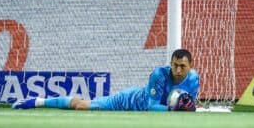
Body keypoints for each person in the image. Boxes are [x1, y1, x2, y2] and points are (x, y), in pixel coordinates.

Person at [12, 49, 199, 111]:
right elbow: (151, 107)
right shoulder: (159, 75)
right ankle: (37, 101)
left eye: (182, 66)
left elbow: (188, 103)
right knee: (82, 106)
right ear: (171, 63)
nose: (178, 70)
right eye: (175, 65)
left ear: (190, 66)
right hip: (130, 101)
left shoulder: (193, 79)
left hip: (158, 109)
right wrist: (174, 109)